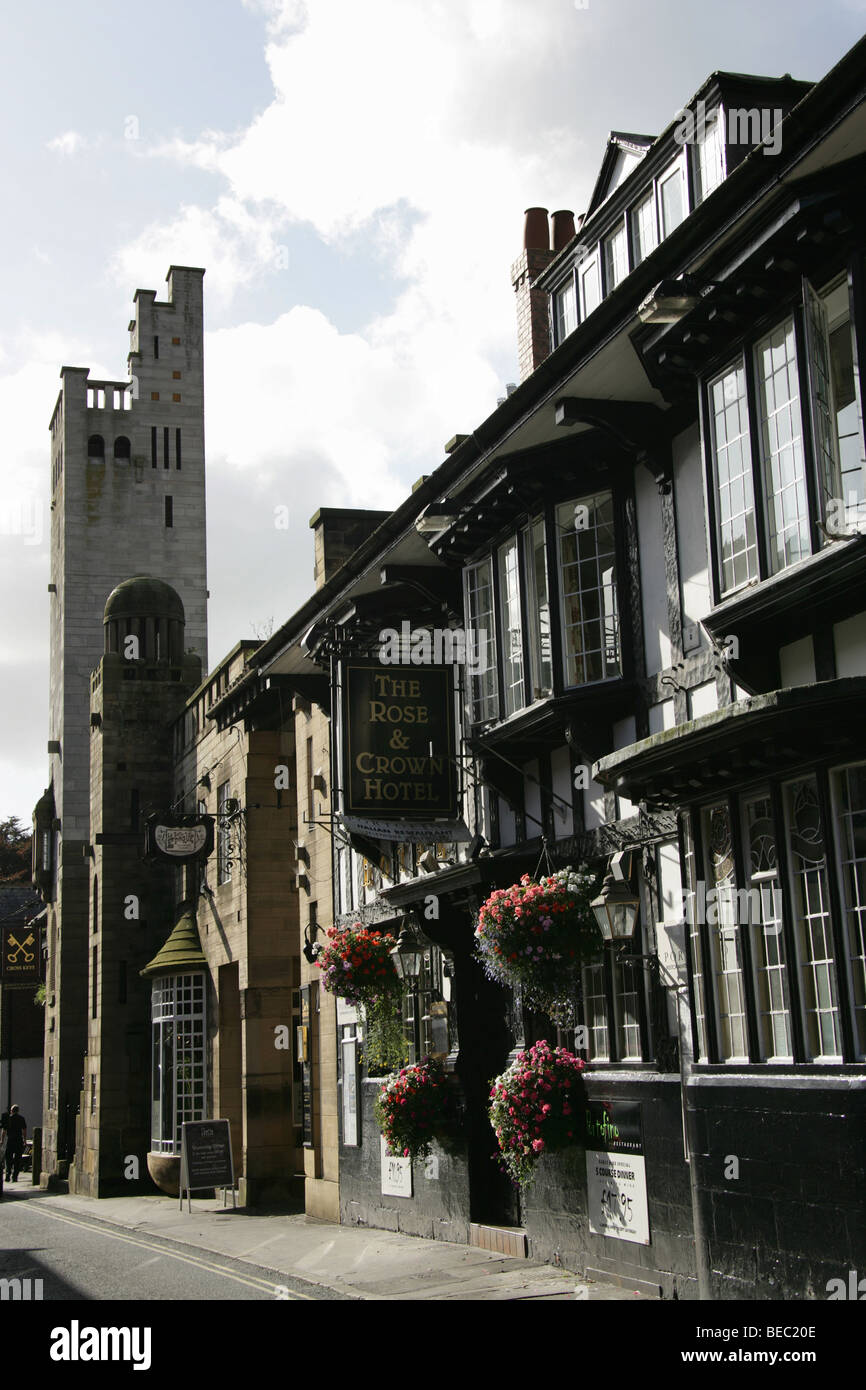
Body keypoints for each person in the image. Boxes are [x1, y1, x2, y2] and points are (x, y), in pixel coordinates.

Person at [4, 1105, 26, 1182]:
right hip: (18, 1140)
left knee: (8, 1158)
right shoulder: (21, 1118)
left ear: (11, 1110)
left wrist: (1, 1140)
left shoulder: (8, 1118)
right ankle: (15, 1176)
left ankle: (8, 1174)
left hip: (10, 1140)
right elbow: (24, 1130)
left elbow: (4, 1130)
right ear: (18, 1110)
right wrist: (24, 1140)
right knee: (17, 1159)